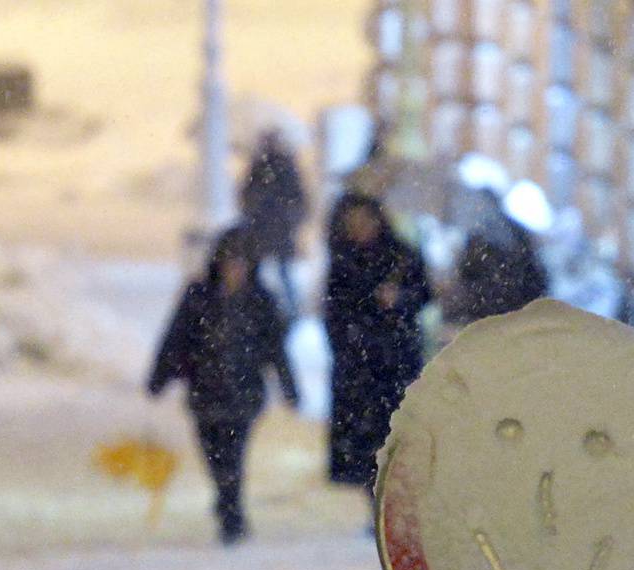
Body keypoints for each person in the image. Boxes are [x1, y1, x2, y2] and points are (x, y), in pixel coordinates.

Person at [147, 226, 299, 545]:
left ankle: (231, 511)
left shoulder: (261, 301)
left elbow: (275, 349)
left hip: (244, 394)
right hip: (205, 391)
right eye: (230, 262)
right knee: (212, 452)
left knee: (234, 453)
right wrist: (159, 377)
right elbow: (176, 338)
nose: (235, 269)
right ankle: (225, 496)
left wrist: (289, 388)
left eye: (241, 262)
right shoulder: (198, 296)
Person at [323, 194, 432, 507]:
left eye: (365, 221)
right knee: (364, 442)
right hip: (358, 366)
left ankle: (391, 502)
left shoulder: (402, 256)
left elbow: (424, 294)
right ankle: (376, 504)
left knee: (396, 437)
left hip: (397, 363)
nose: (360, 229)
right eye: (353, 223)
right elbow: (334, 313)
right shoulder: (343, 262)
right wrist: (348, 344)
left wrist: (399, 300)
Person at [443, 188, 550, 327]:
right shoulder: (516, 231)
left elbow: (466, 273)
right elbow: (537, 274)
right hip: (516, 311)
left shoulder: (478, 235)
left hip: (489, 313)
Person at [238, 129, 309, 317]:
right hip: (266, 230)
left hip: (276, 230)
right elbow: (246, 197)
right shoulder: (262, 167)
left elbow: (299, 201)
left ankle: (290, 312)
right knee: (262, 275)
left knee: (282, 275)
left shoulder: (282, 167)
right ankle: (266, 311)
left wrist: (285, 216)